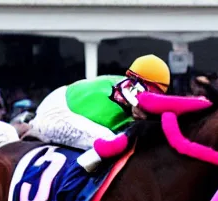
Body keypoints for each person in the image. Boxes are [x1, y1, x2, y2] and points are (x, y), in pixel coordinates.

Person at [29, 54, 171, 172]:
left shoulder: (128, 84)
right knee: (112, 143)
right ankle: (77, 177)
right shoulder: (129, 91)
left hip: (62, 98)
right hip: (57, 113)